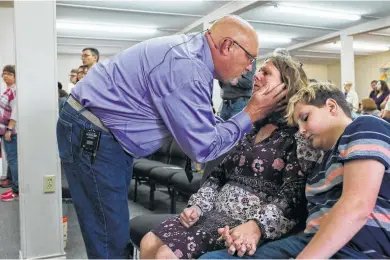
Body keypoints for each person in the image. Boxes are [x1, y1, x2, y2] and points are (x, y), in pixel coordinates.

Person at [57, 15, 288, 259]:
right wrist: (250, 114)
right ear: (227, 46)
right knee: (109, 238)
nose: (251, 69)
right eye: (251, 59)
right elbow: (204, 147)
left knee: (112, 230)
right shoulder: (186, 67)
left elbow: (204, 124)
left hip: (104, 136)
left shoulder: (193, 59)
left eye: (262, 69)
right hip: (96, 137)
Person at [139, 51, 321, 259]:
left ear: (285, 88)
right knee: (149, 242)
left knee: (166, 255)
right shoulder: (249, 129)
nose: (256, 75)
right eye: (258, 70)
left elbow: (293, 196)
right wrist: (198, 206)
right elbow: (217, 176)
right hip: (211, 214)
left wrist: (256, 226)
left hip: (243, 225)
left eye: (266, 73)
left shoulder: (297, 134)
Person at [201, 82, 390, 259]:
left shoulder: (364, 126)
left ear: (331, 107)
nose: (301, 131)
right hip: (309, 241)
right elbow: (312, 223)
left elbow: (357, 205)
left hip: (357, 247)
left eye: (305, 118)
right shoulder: (319, 166)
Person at [0, 65, 19, 202]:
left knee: (13, 160)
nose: (5, 76)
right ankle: (14, 188)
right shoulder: (8, 90)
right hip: (5, 130)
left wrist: (9, 129)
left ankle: (17, 190)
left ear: (15, 76)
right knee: (11, 159)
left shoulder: (15, 90)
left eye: (9, 74)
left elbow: (15, 111)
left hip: (10, 131)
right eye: (4, 74)